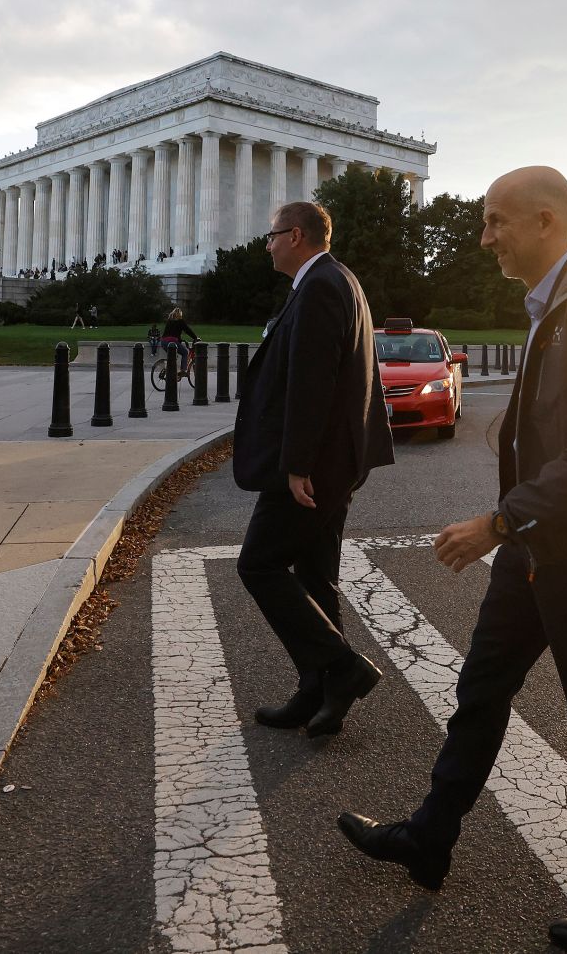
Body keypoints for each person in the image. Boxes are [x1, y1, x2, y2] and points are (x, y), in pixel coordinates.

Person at [339, 167, 567, 953]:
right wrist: (519, 447)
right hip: (542, 542)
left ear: (546, 221)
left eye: (497, 222)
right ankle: (431, 835)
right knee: (484, 684)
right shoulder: (556, 307)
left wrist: (497, 520)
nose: (486, 236)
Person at [231, 201, 394, 738]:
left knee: (259, 565)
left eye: (272, 234)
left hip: (313, 466)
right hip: (335, 461)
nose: (268, 243)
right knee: (315, 575)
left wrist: (296, 463)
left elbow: (313, 381)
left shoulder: (322, 285)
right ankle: (319, 692)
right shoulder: (334, 279)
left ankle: (343, 670)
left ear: (295, 235)